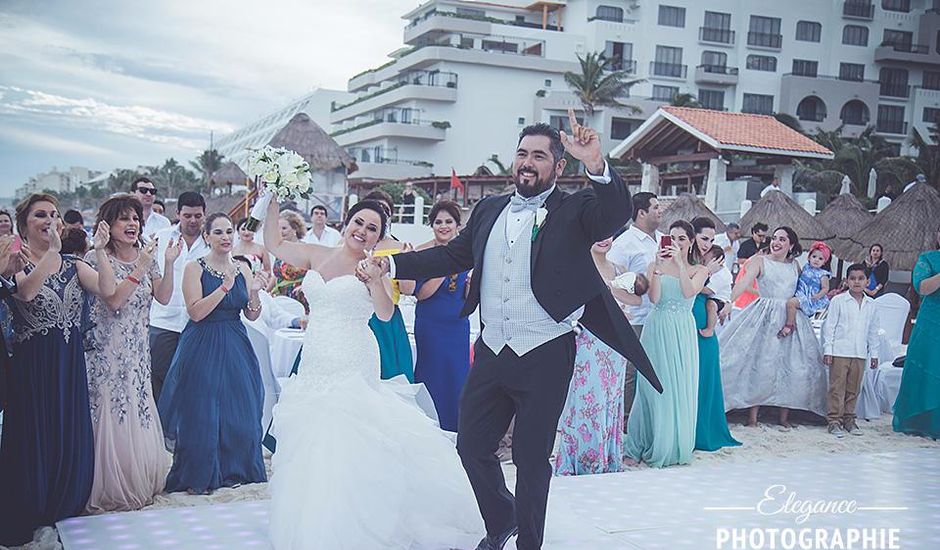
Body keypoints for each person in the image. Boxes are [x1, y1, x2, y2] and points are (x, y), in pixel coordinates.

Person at [368, 112, 659, 550]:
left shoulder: (576, 209)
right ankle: (503, 519)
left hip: (546, 349)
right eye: (522, 153)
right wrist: (391, 264)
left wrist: (596, 163)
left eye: (539, 156)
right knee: (471, 446)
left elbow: (615, 212)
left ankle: (529, 543)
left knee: (530, 457)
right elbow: (451, 258)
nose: (527, 161)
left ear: (559, 166)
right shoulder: (488, 209)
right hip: (491, 349)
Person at [264, 199, 482, 549]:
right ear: (348, 221)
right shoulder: (316, 254)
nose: (362, 232)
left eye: (372, 229)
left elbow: (383, 314)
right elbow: (274, 244)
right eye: (359, 223)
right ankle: (316, 521)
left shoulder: (372, 265)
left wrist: (378, 279)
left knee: (348, 436)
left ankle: (355, 524)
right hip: (315, 359)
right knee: (313, 440)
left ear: (379, 238)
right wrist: (272, 200)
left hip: (352, 356)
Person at [0, 194, 117, 546]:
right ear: (24, 225)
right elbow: (25, 293)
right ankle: (32, 503)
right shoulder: (13, 261)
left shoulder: (73, 264)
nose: (49, 219)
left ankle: (65, 501)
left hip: (69, 363)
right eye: (40, 215)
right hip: (32, 364)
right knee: (34, 431)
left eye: (53, 214)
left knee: (66, 427)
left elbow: (108, 290)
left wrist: (99, 251)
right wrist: (49, 253)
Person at [158, 213, 268, 494]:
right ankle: (201, 470)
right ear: (207, 236)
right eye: (218, 232)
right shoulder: (195, 267)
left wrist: (253, 292)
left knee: (241, 405)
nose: (225, 237)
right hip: (203, 341)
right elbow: (196, 312)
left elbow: (252, 315)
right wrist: (223, 288)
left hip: (236, 341)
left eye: (229, 231)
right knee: (203, 409)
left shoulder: (243, 267)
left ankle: (237, 467)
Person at [82, 195, 176, 512]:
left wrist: (168, 262)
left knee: (137, 406)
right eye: (124, 218)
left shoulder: (144, 254)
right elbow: (114, 300)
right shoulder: (97, 258)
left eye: (135, 218)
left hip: (137, 351)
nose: (132, 224)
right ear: (108, 225)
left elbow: (163, 297)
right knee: (110, 409)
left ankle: (138, 476)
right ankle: (106, 484)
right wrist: (142, 265)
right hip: (107, 352)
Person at [720, 227, 828, 427]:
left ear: (791, 245)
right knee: (760, 362)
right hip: (764, 314)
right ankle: (752, 416)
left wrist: (817, 297)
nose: (776, 242)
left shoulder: (795, 265)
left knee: (790, 364)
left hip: (790, 315)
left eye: (782, 239)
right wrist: (728, 302)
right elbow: (742, 283)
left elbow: (803, 289)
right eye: (774, 238)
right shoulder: (760, 261)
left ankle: (784, 417)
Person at [555, 238, 647, 476]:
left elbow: (637, 299)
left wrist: (610, 290)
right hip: (587, 339)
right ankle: (583, 459)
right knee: (586, 398)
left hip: (615, 344)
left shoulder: (618, 269)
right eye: (597, 234)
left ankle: (608, 457)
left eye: (608, 235)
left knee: (610, 398)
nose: (604, 239)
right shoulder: (577, 265)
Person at [624, 221, 707, 468]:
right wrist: (658, 268)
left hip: (682, 329)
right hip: (656, 326)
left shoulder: (699, 269)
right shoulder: (653, 266)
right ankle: (641, 442)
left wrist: (680, 265)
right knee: (650, 386)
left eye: (682, 238)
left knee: (676, 386)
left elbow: (689, 291)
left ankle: (670, 444)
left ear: (691, 241)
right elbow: (654, 298)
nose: (677, 242)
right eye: (672, 237)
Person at [606, 191, 664, 426]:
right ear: (641, 213)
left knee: (656, 367)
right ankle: (625, 420)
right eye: (656, 207)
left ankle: (648, 419)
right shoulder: (624, 244)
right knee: (630, 371)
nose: (661, 211)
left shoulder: (662, 239)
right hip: (636, 317)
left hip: (659, 315)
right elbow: (613, 280)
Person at [413, 200, 470, 432]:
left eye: (449, 222)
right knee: (431, 377)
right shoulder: (423, 252)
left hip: (457, 326)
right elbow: (421, 294)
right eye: (438, 222)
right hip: (430, 325)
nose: (443, 226)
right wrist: (445, 265)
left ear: (457, 225)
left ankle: (456, 432)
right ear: (432, 225)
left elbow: (466, 297)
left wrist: (470, 286)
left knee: (457, 380)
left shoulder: (467, 253)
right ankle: (428, 429)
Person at [149, 192, 208, 402]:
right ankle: (159, 431)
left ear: (204, 215)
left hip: (198, 322)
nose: (193, 220)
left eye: (198, 216)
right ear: (178, 214)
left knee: (194, 380)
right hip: (164, 320)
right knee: (159, 378)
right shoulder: (162, 237)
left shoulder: (211, 241)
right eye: (188, 215)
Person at [363, 189, 416, 382]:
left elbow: (409, 290)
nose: (380, 213)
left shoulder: (401, 247)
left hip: (386, 319)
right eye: (374, 208)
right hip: (356, 316)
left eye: (385, 209)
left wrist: (406, 262)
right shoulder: (349, 245)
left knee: (388, 374)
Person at [893, 224, 940, 439]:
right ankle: (921, 421)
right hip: (931, 321)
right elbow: (923, 288)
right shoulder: (927, 259)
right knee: (927, 365)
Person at [822, 263, 880, 438]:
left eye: (861, 278)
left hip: (860, 352)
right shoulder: (839, 301)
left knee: (854, 388)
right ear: (846, 281)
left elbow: (873, 331)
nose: (856, 282)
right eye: (853, 278)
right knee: (837, 387)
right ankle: (834, 421)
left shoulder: (871, 304)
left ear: (867, 281)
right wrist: (828, 350)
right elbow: (829, 327)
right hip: (840, 350)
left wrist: (874, 354)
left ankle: (849, 419)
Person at [779, 241, 832, 338]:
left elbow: (825, 288)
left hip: (809, 297)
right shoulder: (806, 267)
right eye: (814, 257)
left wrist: (818, 295)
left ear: (825, 261)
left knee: (791, 303)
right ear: (809, 257)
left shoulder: (822, 274)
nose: (816, 260)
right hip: (800, 292)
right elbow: (799, 275)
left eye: (820, 259)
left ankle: (789, 325)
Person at [270, 211, 309, 311]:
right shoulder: (279, 250)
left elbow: (314, 273)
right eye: (278, 229)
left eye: (284, 228)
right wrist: (266, 291)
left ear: (295, 228)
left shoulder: (305, 249)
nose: (280, 232)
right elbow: (276, 276)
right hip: (279, 299)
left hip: (299, 298)